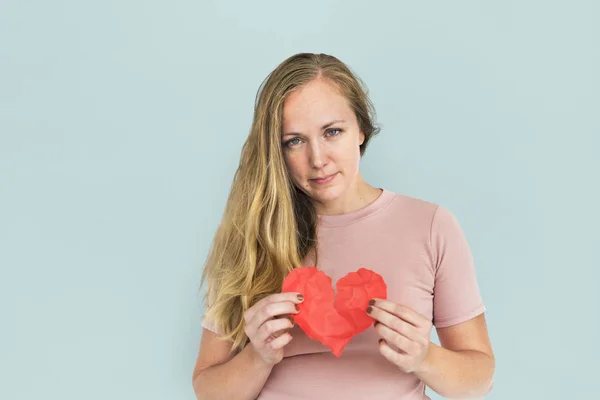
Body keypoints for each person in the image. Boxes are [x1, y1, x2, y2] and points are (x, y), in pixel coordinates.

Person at [191, 53, 495, 400]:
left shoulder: (431, 226)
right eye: (295, 140)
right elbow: (208, 389)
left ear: (361, 129)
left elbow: (479, 382)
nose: (317, 159)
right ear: (276, 150)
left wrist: (425, 358)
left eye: (332, 132)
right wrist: (258, 356)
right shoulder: (252, 236)